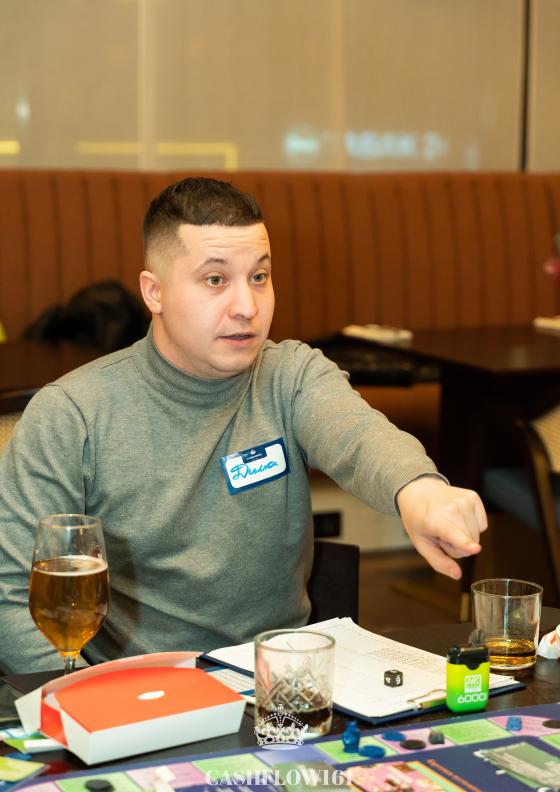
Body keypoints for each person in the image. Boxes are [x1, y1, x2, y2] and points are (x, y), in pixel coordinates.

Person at [0, 177, 486, 673]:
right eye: (215, 280)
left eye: (259, 277)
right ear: (154, 292)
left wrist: (419, 490)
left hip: (280, 682)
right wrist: (82, 700)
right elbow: (14, 598)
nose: (247, 307)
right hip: (140, 689)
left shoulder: (290, 375)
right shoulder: (72, 414)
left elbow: (359, 437)